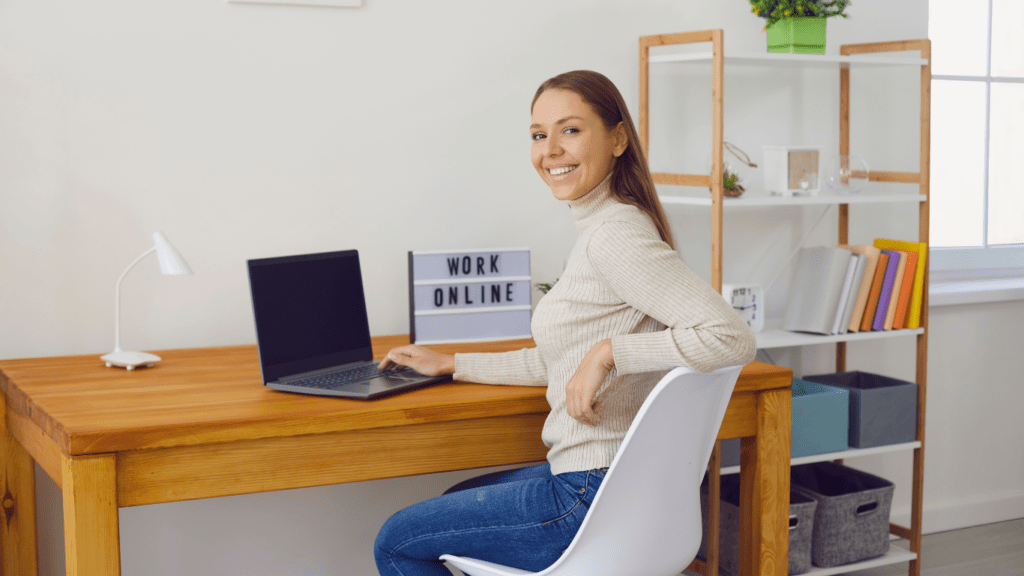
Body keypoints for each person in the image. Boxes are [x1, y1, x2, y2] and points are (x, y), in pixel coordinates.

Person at [372, 70, 756, 576]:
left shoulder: (615, 236)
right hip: (623, 491)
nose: (550, 149)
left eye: (569, 130)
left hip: (588, 492)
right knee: (459, 498)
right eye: (538, 135)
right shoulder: (606, 226)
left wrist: (609, 354)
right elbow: (563, 360)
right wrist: (452, 363)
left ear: (618, 139)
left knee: (398, 540)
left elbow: (731, 337)